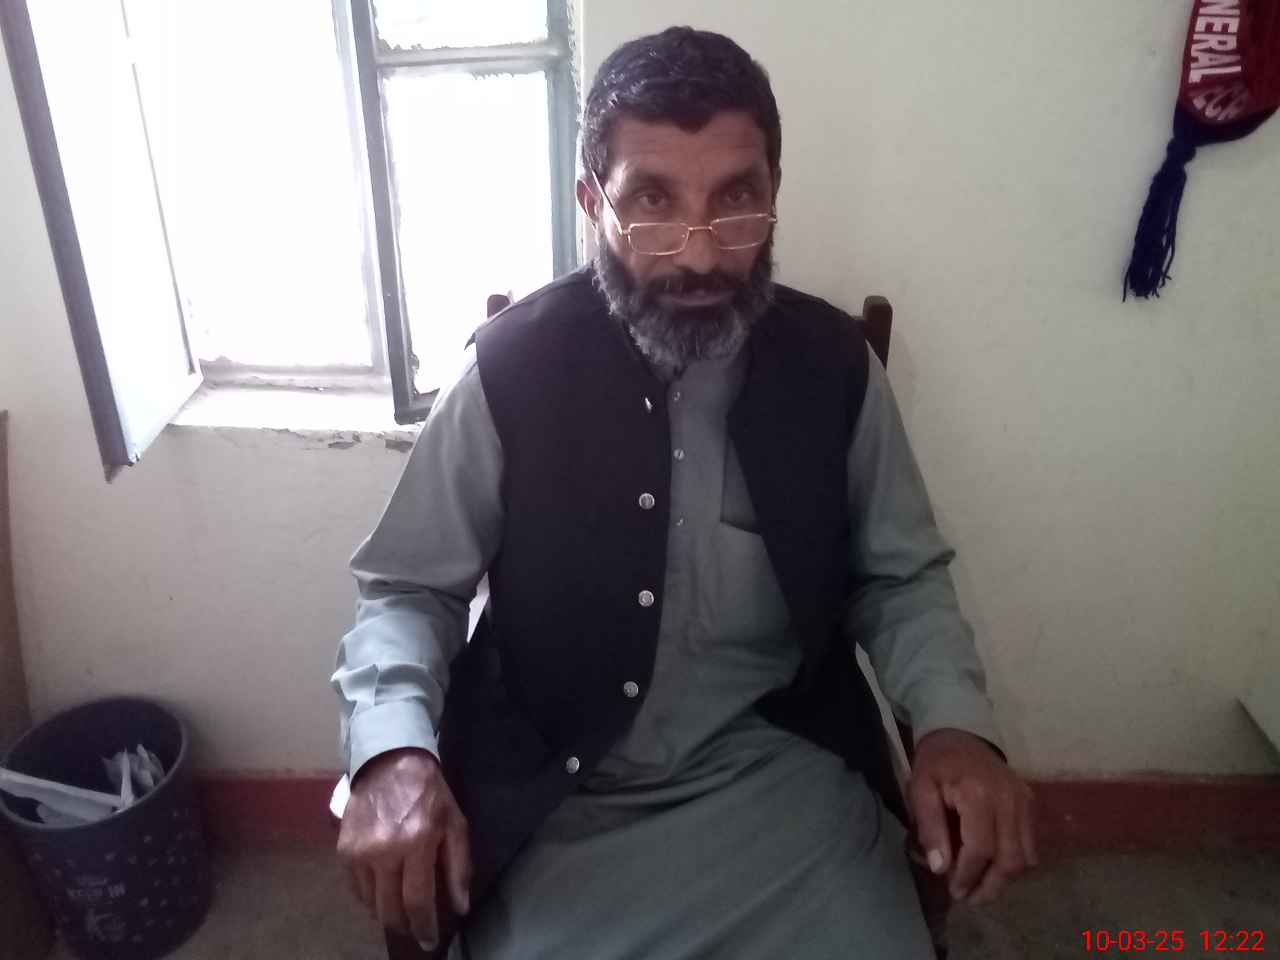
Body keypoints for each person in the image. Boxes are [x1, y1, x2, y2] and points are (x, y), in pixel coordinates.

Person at [332, 26, 1036, 960]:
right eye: (653, 202)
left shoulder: (834, 370)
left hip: (786, 782)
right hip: (557, 790)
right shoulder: (509, 373)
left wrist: (954, 725)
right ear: (593, 202)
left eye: (735, 199)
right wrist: (392, 751)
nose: (700, 256)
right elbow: (407, 590)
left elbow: (900, 578)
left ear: (774, 192)